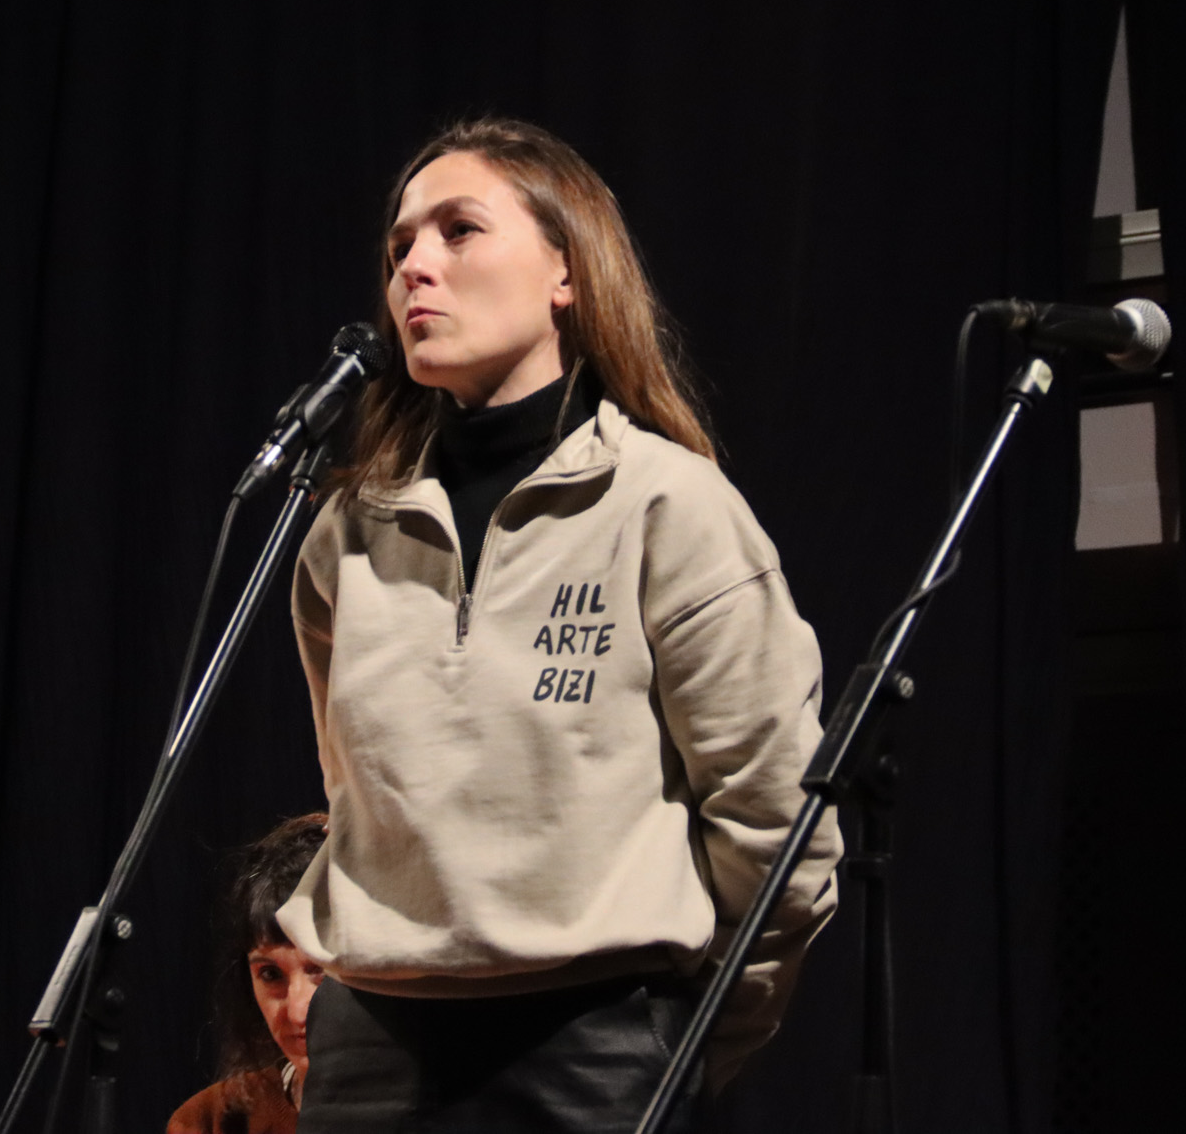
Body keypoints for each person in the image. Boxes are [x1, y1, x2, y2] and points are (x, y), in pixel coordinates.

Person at [275, 117, 844, 1132]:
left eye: (458, 230)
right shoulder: (347, 531)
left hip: (595, 1047)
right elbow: (356, 795)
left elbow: (776, 825)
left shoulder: (666, 505)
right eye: (399, 246)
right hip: (372, 1047)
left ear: (565, 271)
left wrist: (687, 1046)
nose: (414, 268)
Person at [168, 812, 329, 1134]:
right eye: (270, 975)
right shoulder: (211, 1120)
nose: (297, 1012)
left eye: (321, 971)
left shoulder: (430, 1116)